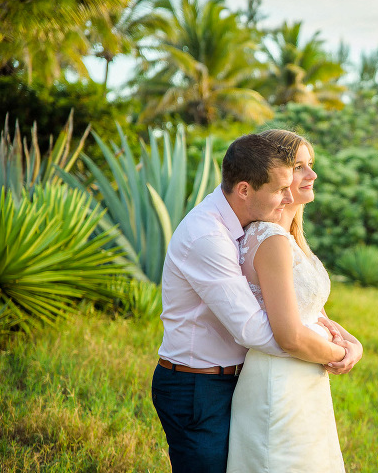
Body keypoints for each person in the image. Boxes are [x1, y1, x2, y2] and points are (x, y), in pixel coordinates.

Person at [152, 133, 325, 473]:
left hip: (235, 381)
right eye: (279, 190)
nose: (288, 197)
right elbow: (254, 330)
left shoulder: (245, 228)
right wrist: (331, 352)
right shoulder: (208, 236)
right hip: (197, 387)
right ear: (245, 189)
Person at [227, 129, 362, 472]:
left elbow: (313, 313)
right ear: (280, 175)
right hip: (281, 378)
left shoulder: (291, 238)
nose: (311, 175)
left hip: (305, 376)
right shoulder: (269, 239)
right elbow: (289, 333)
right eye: (300, 167)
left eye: (310, 165)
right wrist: (339, 354)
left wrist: (353, 344)